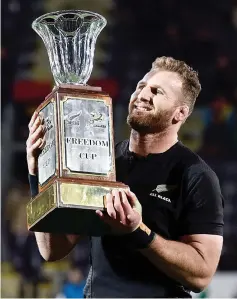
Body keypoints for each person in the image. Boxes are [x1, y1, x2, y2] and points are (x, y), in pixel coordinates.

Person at [26, 56, 224, 298]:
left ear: (179, 113)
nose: (143, 95)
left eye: (157, 91)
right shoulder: (102, 162)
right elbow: (52, 250)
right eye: (141, 86)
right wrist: (38, 174)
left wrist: (139, 231)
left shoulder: (196, 175)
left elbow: (201, 275)